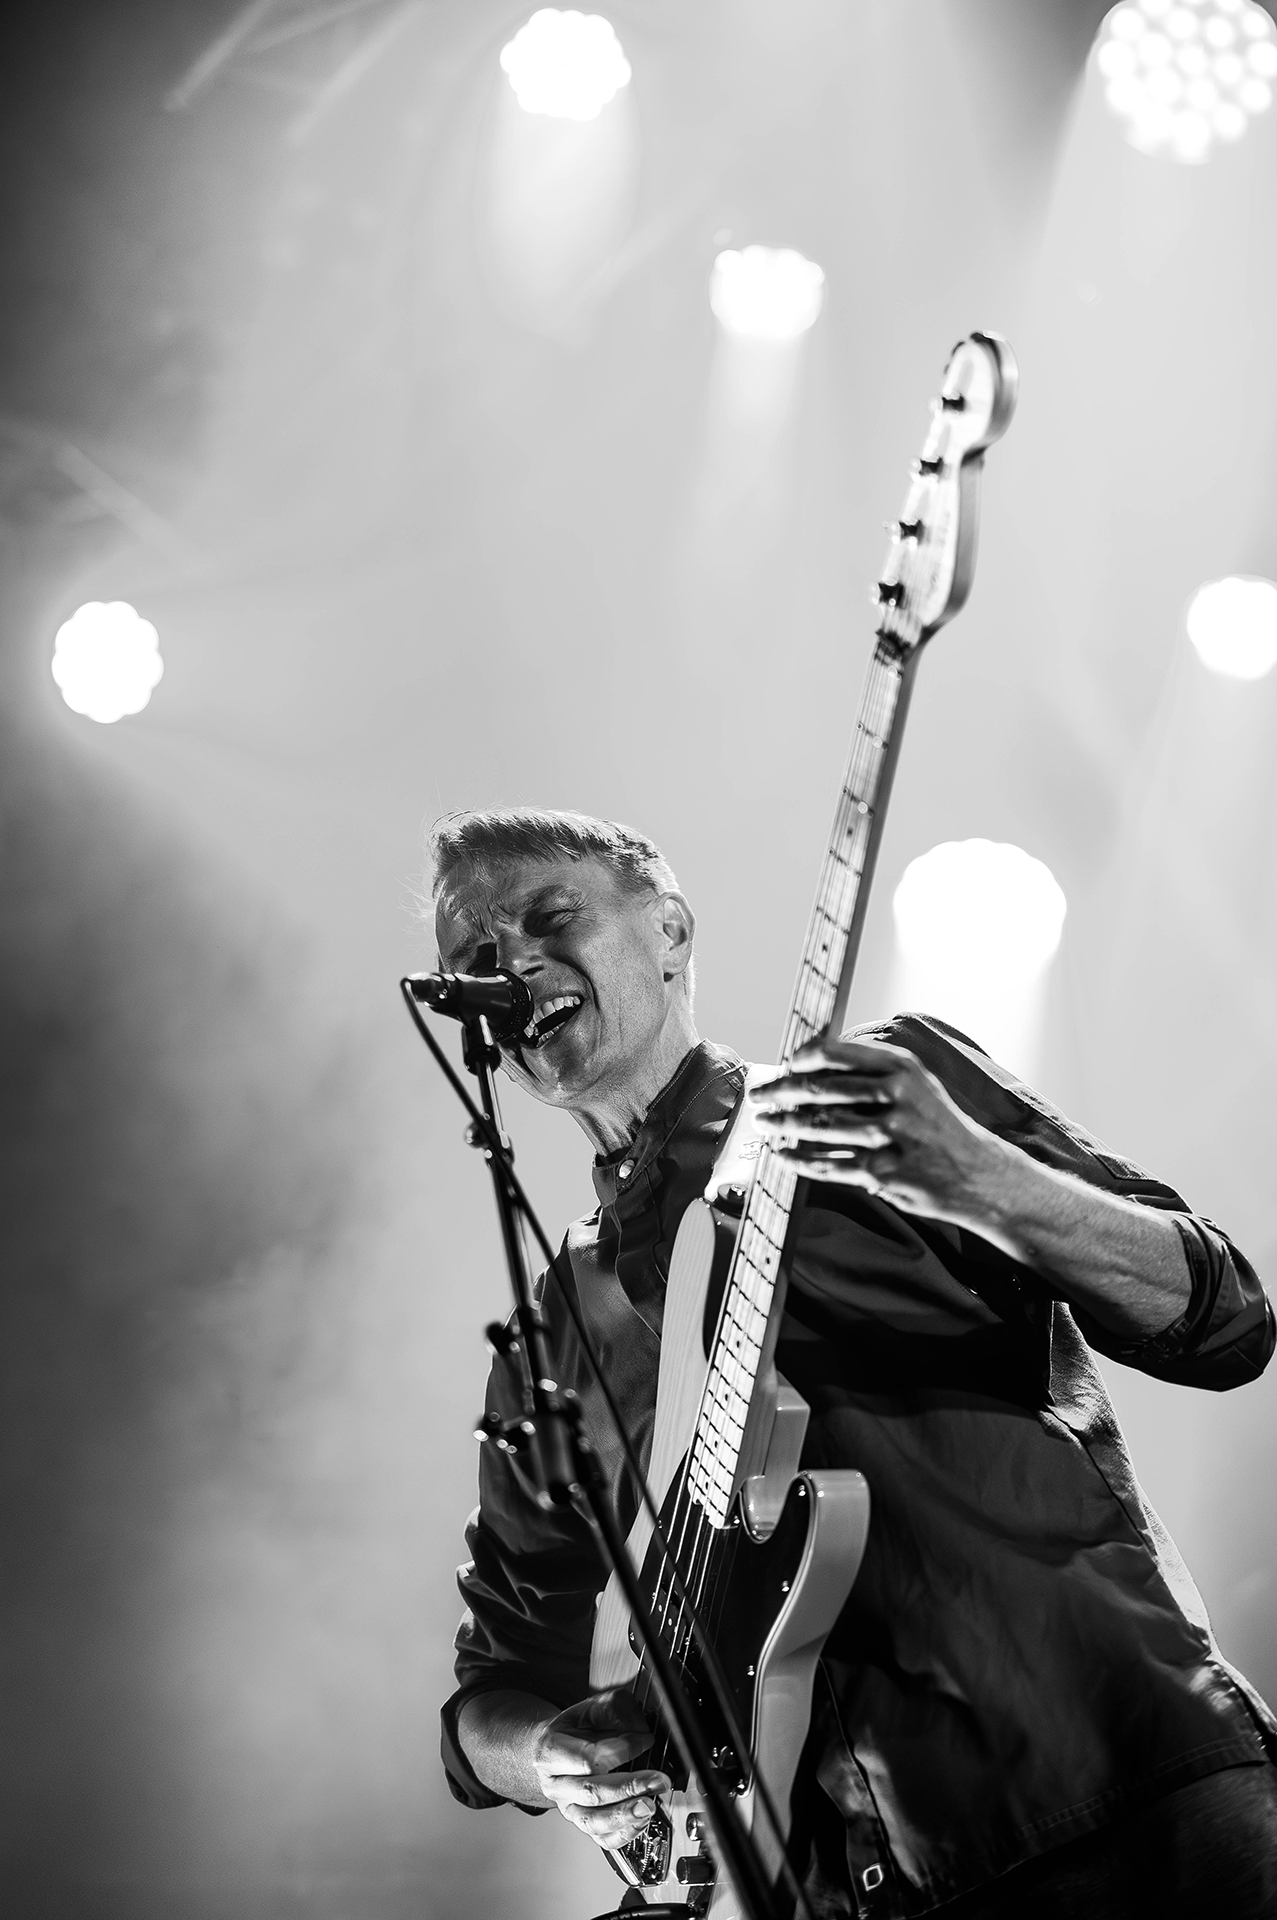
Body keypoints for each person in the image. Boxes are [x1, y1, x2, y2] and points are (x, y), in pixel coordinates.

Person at [432, 806, 1277, 1919]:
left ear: (670, 932)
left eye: (550, 917)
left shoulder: (882, 1097)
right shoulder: (558, 1330)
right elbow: (491, 1694)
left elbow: (1224, 1321)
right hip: (837, 1890)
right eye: (476, 960)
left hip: (1122, 1798)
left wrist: (977, 1176)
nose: (517, 964)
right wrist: (546, 1751)